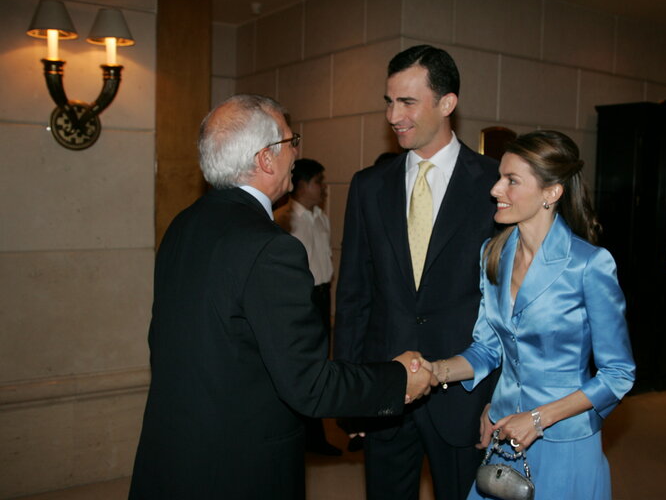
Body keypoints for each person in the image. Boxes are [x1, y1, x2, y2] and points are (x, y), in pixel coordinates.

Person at [128, 94, 433, 500]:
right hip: (239, 469)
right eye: (292, 142)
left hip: (175, 454)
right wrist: (397, 380)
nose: (297, 152)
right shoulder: (270, 248)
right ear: (266, 159)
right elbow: (309, 384)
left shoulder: (183, 225)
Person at [424, 131, 636, 500]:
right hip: (505, 431)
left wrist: (538, 418)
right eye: (499, 177)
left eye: (511, 180)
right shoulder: (493, 254)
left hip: (565, 439)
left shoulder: (589, 265)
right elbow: (488, 350)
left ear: (551, 193)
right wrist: (435, 371)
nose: (495, 189)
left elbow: (619, 374)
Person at [333, 44, 499, 500]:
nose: (393, 115)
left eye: (407, 101)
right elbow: (354, 295)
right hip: (386, 393)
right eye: (389, 101)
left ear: (447, 103)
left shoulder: (494, 184)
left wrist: (503, 400)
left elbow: (509, 302)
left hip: (467, 394)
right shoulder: (369, 186)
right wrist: (354, 394)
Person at [274, 158, 341, 456]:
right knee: (303, 365)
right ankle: (303, 436)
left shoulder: (320, 217)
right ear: (301, 184)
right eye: (318, 182)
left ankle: (316, 436)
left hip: (322, 295)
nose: (323, 189)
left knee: (320, 364)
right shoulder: (287, 218)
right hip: (303, 297)